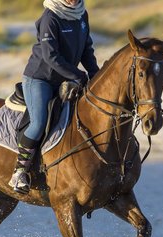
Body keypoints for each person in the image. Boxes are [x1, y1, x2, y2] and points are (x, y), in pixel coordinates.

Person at [9, 0, 100, 194]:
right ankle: (19, 172)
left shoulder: (81, 14)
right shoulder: (50, 17)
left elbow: (87, 50)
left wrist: (96, 75)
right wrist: (78, 75)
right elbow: (51, 56)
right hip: (40, 79)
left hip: (66, 78)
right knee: (39, 122)